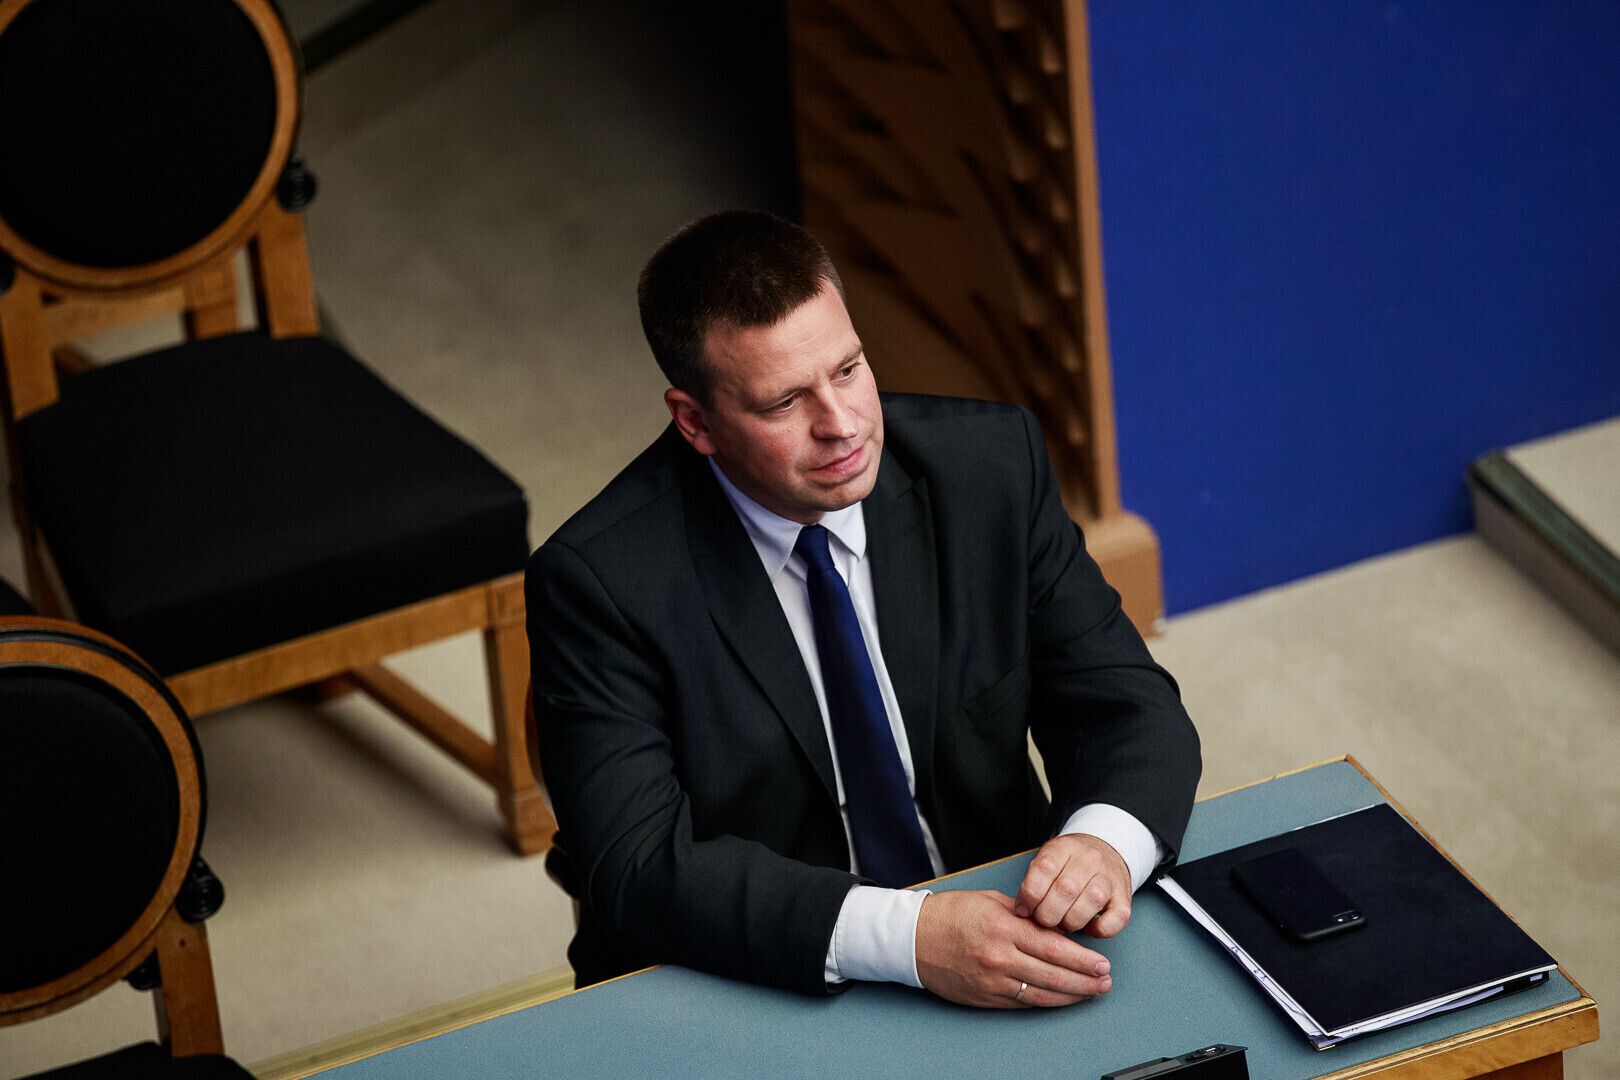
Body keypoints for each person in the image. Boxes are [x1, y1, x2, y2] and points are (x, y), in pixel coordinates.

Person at [527, 210, 1200, 1008]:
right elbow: (641, 869)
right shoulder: (598, 582)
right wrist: (910, 938)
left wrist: (1100, 845)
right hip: (758, 975)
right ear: (696, 421)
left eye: (848, 369)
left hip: (1004, 921)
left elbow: (1128, 707)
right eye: (784, 403)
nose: (842, 425)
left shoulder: (988, 468)